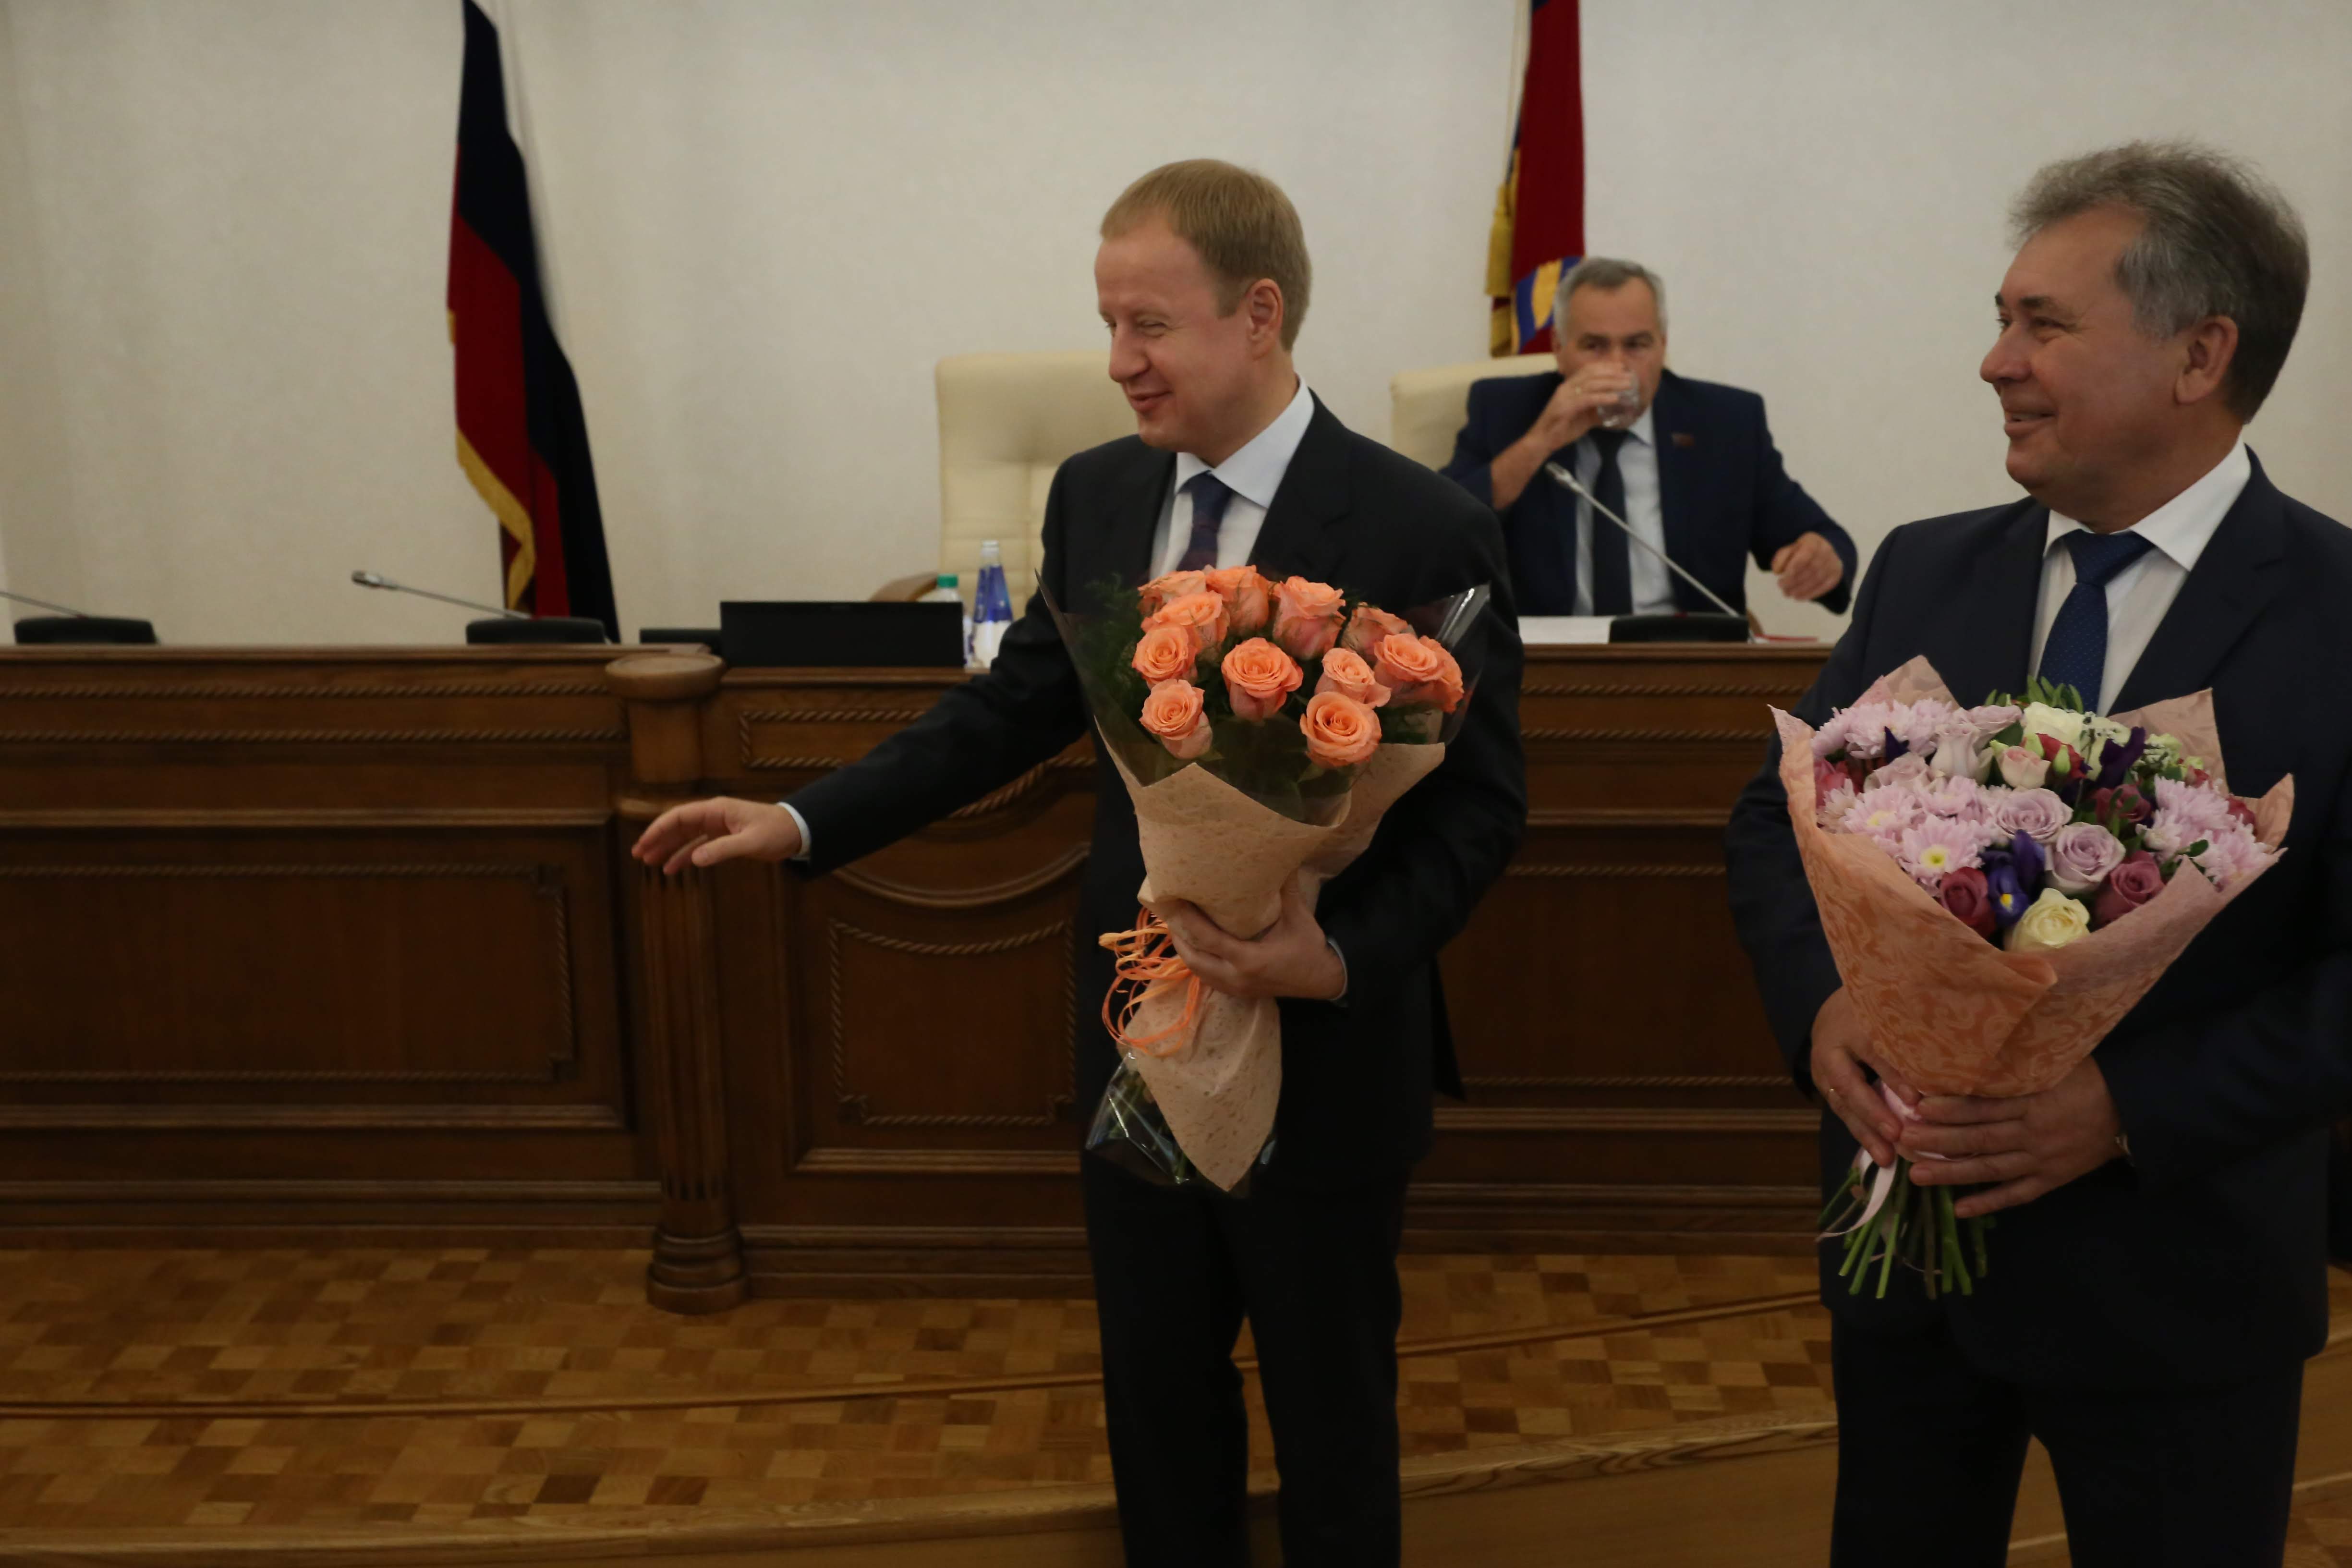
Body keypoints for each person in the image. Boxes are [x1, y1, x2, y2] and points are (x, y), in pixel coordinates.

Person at [631, 159, 1526, 1567]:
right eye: (1109, 322)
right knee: (1157, 1401)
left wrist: (1334, 956)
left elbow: (1477, 812)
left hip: (1325, 1057)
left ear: (1259, 314)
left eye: (1148, 325)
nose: (1117, 361)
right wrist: (802, 819)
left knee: (1331, 1415)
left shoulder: (1424, 525)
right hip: (1139, 1025)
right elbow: (1013, 709)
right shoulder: (1099, 493)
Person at [1725, 142, 2345, 1566]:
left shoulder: (2336, 610)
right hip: (1906, 1270)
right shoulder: (1924, 564)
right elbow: (1776, 815)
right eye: (2001, 318)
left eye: (2043, 324)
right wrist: (1824, 1006)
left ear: (2199, 354)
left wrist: (2125, 1105)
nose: (1994, 361)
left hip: (2178, 1278)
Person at [1441, 256, 1857, 620]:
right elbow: (1442, 535)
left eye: (1637, 345)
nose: (1618, 366)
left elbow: (1825, 538)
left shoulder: (1726, 424)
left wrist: (1821, 558)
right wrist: (1540, 441)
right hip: (1548, 663)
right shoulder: (1505, 411)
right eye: (1594, 346)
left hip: (1685, 661)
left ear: (1663, 346)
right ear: (1559, 348)